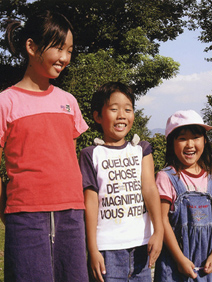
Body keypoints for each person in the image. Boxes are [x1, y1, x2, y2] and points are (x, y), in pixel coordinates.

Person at [0, 10, 89, 282]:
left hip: (72, 213)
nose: (65, 58)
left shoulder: (69, 101)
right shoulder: (4, 103)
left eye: (70, 50)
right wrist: (10, 215)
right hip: (24, 216)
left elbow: (66, 157)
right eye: (58, 48)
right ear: (31, 47)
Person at [80, 82, 164, 282]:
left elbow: (150, 189)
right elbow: (90, 203)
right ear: (98, 116)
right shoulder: (90, 154)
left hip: (141, 246)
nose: (121, 115)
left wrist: (158, 231)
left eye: (128, 109)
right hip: (107, 249)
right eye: (114, 109)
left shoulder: (141, 149)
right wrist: (92, 248)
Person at [154, 110, 212, 282]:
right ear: (172, 143)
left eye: (195, 137)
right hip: (174, 263)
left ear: (205, 141)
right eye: (182, 138)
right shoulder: (166, 177)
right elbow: (162, 220)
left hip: (208, 264)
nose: (190, 144)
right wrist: (180, 259)